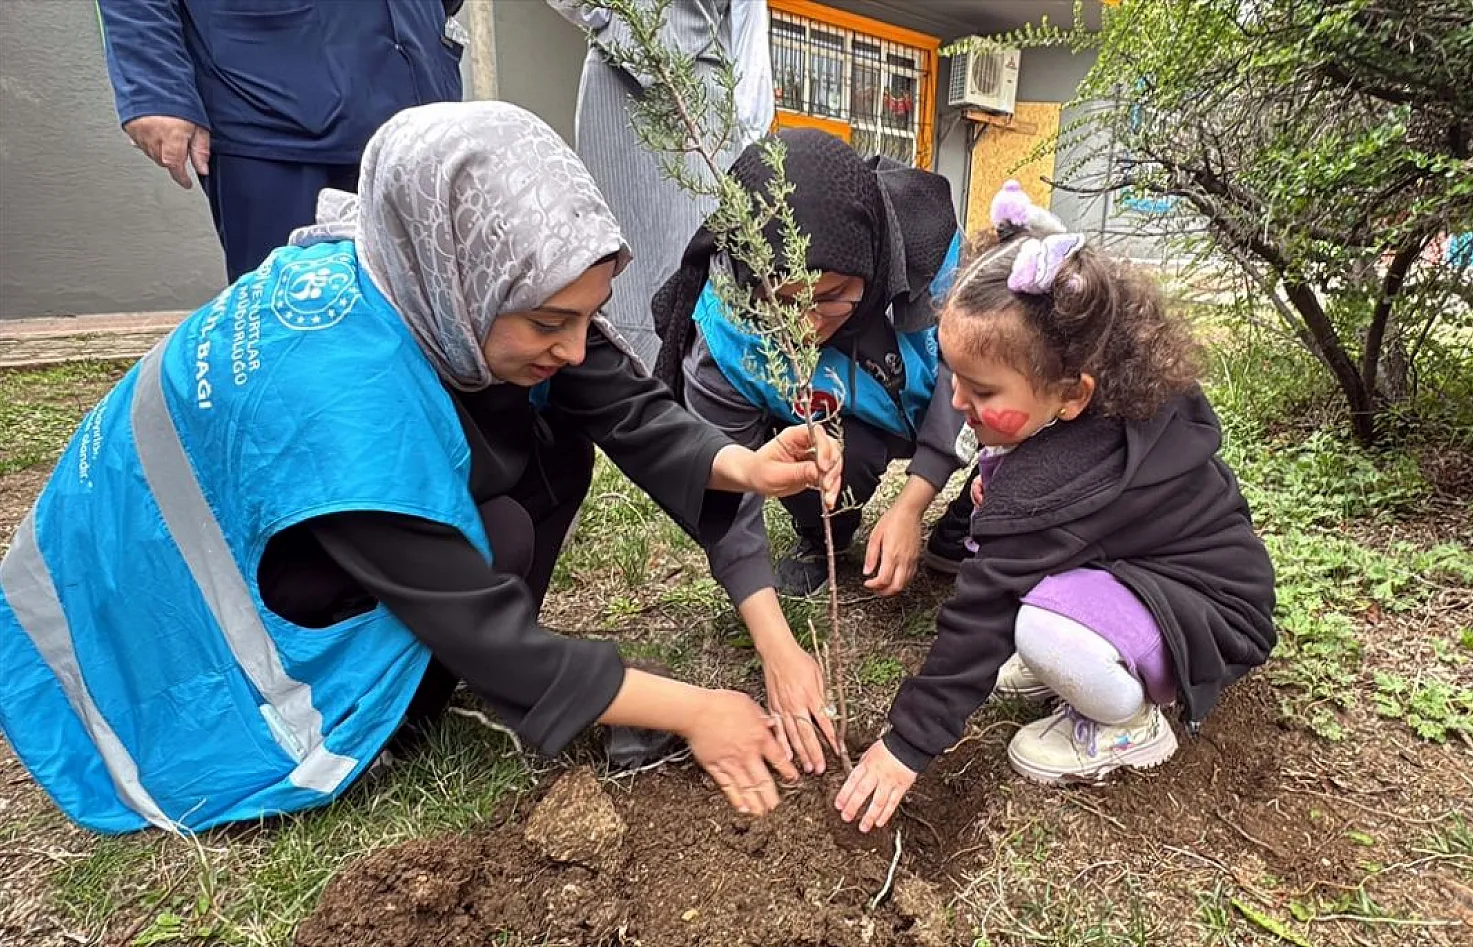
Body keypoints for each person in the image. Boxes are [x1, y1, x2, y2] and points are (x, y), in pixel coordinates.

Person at [0, 102, 840, 835]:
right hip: (140, 647)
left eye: (589, 314)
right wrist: (699, 710)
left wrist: (746, 466)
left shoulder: (423, 266)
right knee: (496, 531)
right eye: (552, 320)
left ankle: (438, 687)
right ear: (463, 276)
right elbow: (483, 626)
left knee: (548, 450)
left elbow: (622, 404)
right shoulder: (337, 403)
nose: (576, 345)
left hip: (236, 546)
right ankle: (396, 724)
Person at [834, 183, 1278, 832]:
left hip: (1211, 616)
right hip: (1164, 577)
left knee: (1036, 624)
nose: (957, 401)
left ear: (1072, 395)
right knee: (1034, 608)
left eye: (981, 389)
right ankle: (1094, 654)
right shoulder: (1102, 393)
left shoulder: (1058, 479)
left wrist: (907, 744)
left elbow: (980, 615)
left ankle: (1127, 722)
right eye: (954, 378)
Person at [650, 129, 973, 775]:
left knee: (1015, 409)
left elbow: (961, 378)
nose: (805, 325)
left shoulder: (927, 249)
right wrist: (775, 643)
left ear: (870, 263)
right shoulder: (725, 333)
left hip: (936, 397)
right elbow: (728, 485)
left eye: (830, 297)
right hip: (844, 412)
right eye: (783, 303)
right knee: (817, 460)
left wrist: (915, 500)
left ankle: (965, 520)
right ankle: (824, 532)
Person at [96, 0, 466, 281]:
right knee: (294, 315)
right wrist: (155, 90)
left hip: (415, 103)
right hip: (268, 102)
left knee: (428, 315)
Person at [551, 0, 775, 367]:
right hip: (615, 84)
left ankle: (690, 394)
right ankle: (618, 390)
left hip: (705, 96)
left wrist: (746, 133)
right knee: (612, 259)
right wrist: (607, 18)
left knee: (699, 261)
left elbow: (747, 16)